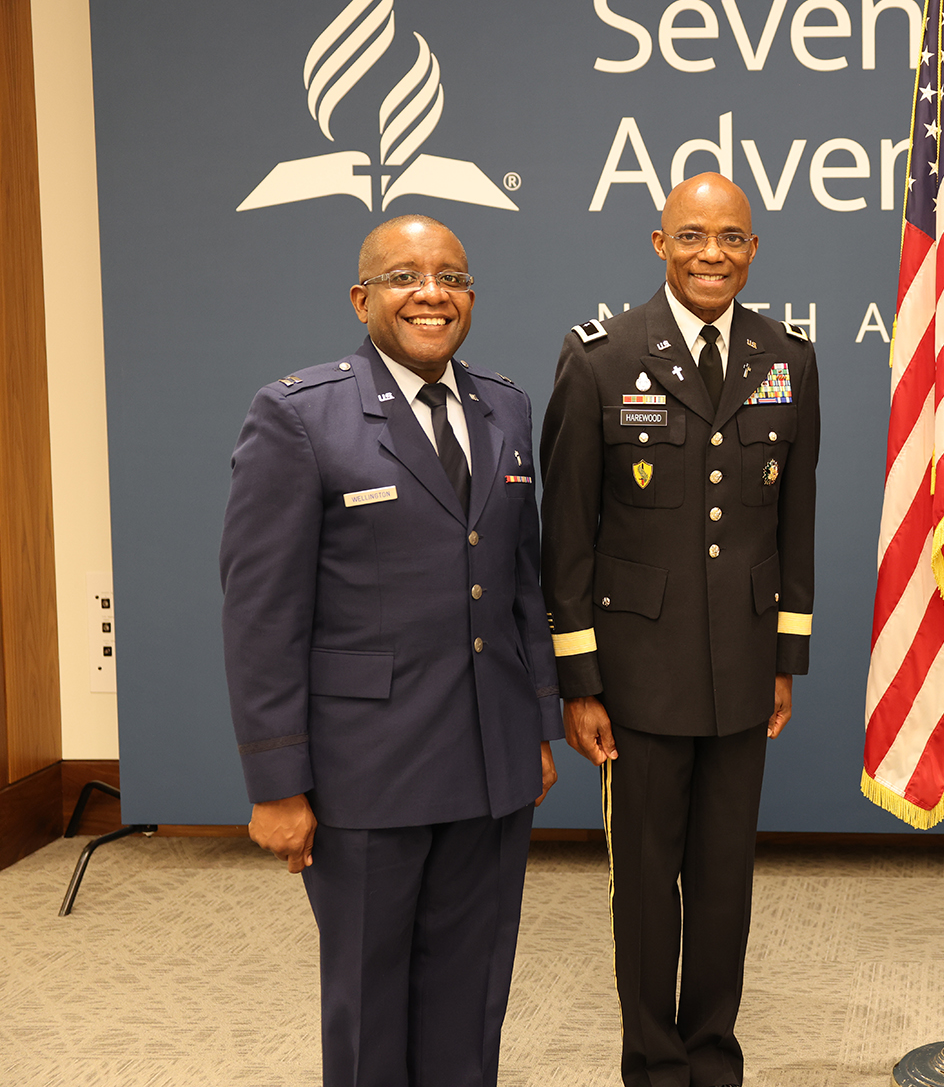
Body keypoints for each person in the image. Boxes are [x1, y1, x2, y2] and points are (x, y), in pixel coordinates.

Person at [220, 214, 563, 1087]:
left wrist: (536, 726)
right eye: (405, 276)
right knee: (371, 1003)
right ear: (361, 297)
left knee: (471, 992)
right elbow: (262, 615)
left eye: (450, 276)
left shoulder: (507, 406)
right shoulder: (299, 416)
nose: (431, 293)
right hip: (364, 773)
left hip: (489, 763)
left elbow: (522, 580)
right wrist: (276, 784)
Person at [539, 172, 819, 1087]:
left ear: (752, 251)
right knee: (646, 889)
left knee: (726, 881)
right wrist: (579, 682)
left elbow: (794, 525)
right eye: (692, 236)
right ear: (658, 245)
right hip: (636, 676)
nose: (712, 254)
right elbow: (567, 538)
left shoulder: (788, 357)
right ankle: (655, 1066)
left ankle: (713, 1058)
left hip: (740, 668)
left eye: (731, 238)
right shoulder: (600, 357)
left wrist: (784, 658)